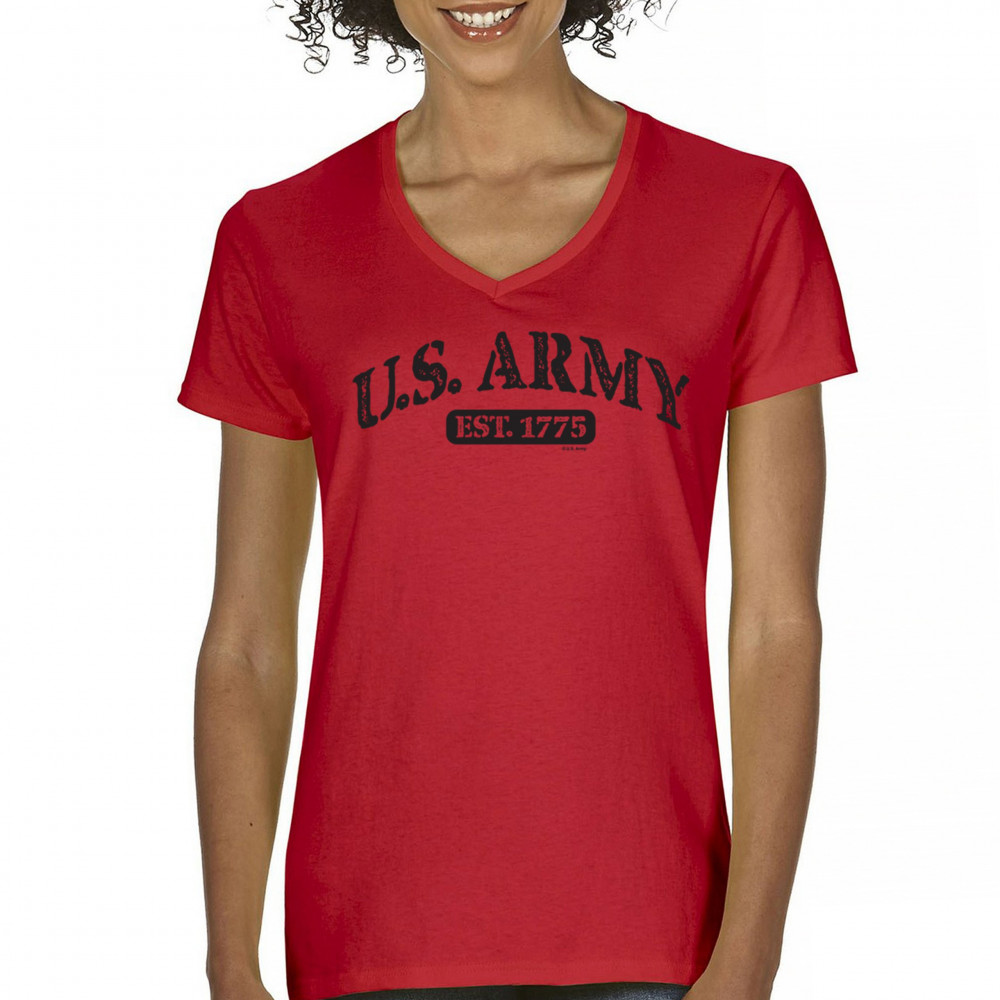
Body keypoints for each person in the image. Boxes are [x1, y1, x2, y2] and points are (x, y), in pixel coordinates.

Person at [176, 3, 859, 1000]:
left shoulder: (745, 212)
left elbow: (775, 624)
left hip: (656, 939)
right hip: (369, 940)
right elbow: (245, 637)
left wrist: (749, 957)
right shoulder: (278, 238)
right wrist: (230, 962)